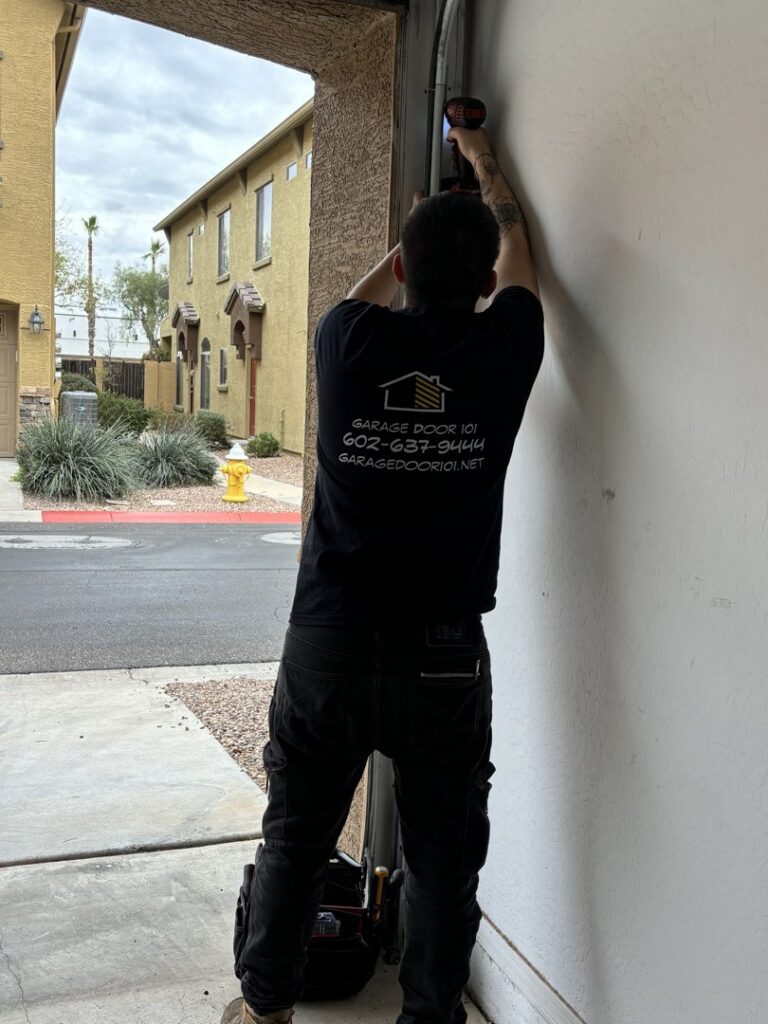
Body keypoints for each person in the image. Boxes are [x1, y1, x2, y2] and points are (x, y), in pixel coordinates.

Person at [222, 126, 544, 1024]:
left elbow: (367, 288)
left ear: (402, 267)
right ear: (482, 286)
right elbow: (518, 261)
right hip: (442, 656)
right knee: (444, 862)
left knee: (294, 838)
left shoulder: (347, 342)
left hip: (329, 641)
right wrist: (488, 170)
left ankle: (264, 1010)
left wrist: (413, 235)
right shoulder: (504, 350)